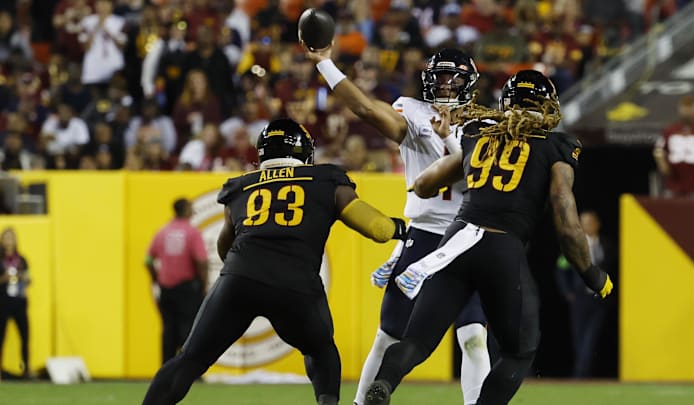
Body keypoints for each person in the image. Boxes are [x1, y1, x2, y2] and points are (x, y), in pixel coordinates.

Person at [363, 70, 614, 405]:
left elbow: (424, 185)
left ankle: (383, 384)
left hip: (456, 242)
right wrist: (592, 274)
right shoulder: (558, 145)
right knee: (518, 352)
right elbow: (566, 218)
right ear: (547, 105)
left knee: (417, 341)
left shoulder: (477, 133)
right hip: (502, 248)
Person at [141, 118, 408, 405]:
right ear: (304, 151)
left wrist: (244, 277)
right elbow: (377, 229)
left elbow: (224, 245)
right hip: (295, 283)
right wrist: (403, 229)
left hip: (239, 278)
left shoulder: (241, 186)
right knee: (320, 352)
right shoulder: (325, 180)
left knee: (190, 359)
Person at [304, 44, 491, 405]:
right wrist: (325, 63)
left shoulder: (487, 124)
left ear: (470, 84)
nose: (446, 87)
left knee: (473, 335)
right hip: (422, 236)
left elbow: (472, 173)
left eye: (454, 80)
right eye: (440, 78)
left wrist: (449, 136)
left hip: (466, 238)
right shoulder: (413, 111)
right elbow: (364, 108)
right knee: (388, 333)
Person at [146, 197, 209, 365]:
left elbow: (148, 260)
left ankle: (166, 369)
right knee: (188, 330)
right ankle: (188, 369)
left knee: (168, 331)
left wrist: (155, 279)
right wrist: (204, 285)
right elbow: (202, 261)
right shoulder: (191, 232)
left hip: (166, 288)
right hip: (187, 288)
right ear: (186, 210)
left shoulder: (162, 232)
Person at [555, 210, 617, 378]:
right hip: (580, 299)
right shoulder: (574, 246)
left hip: (599, 299)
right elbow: (561, 269)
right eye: (584, 223)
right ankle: (581, 373)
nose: (587, 226)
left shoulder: (607, 245)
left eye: (590, 222)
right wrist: (568, 292)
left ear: (598, 224)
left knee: (592, 336)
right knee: (579, 336)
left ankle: (582, 373)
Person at [653, 95, 694, 197]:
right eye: (685, 109)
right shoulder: (670, 131)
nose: (687, 113)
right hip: (674, 185)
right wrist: (664, 166)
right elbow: (659, 150)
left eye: (690, 109)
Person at [0, 227, 31, 378]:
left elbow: (29, 278)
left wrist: (22, 277)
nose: (9, 240)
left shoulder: (22, 260)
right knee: (1, 336)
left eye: (12, 237)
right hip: (3, 303)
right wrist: (3, 279)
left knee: (25, 336)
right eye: (6, 237)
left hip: (19, 302)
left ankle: (26, 369)